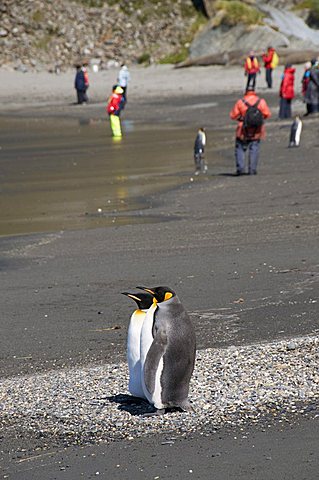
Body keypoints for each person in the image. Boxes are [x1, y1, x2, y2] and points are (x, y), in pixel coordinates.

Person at [230, 86, 271, 176]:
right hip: (257, 129)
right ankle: (252, 169)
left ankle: (240, 169)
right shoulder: (261, 102)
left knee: (240, 148)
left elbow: (233, 115)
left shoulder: (240, 102)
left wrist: (242, 117)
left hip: (243, 129)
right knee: (254, 148)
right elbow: (267, 114)